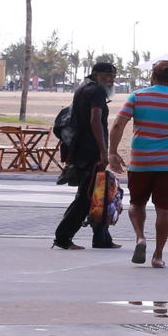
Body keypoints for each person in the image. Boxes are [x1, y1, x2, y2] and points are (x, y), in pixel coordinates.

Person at [107, 59, 168, 267]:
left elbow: (118, 124)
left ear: (152, 76)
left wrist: (112, 152)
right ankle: (158, 256)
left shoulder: (138, 96)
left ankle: (140, 237)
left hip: (141, 161)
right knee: (164, 210)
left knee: (136, 204)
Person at [53, 60, 120, 250]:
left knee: (98, 193)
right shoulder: (97, 92)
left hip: (82, 149)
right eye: (107, 76)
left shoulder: (83, 88)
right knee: (87, 196)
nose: (111, 80)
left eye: (113, 77)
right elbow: (94, 120)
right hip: (90, 151)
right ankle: (63, 237)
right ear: (96, 74)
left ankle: (101, 238)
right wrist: (103, 151)